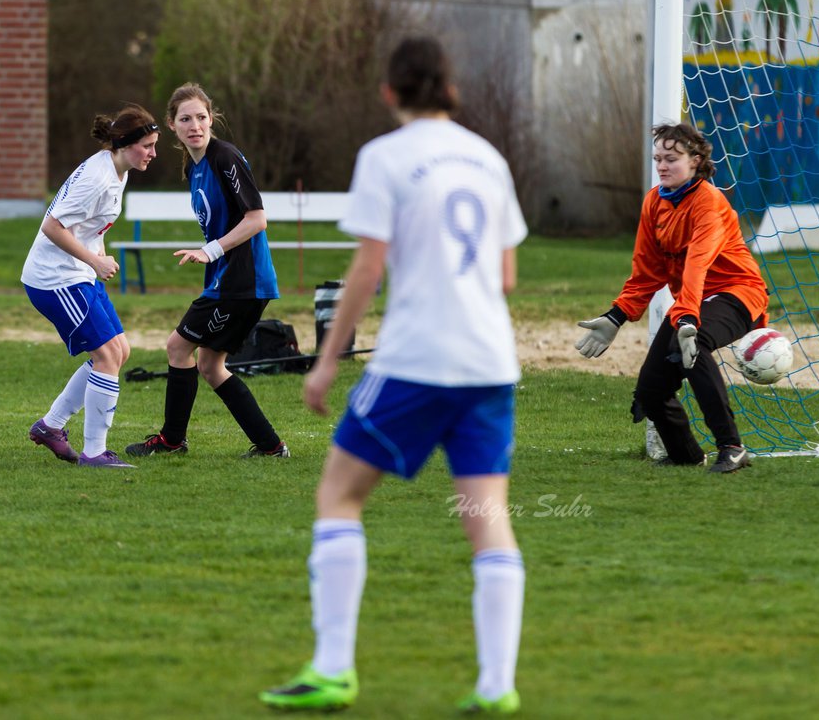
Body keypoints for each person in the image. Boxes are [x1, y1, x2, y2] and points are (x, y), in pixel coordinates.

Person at [260, 37, 527, 714]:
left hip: (416, 359)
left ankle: (332, 668)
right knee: (487, 516)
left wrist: (325, 362)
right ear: (450, 88)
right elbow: (506, 275)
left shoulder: (384, 157)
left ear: (389, 92)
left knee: (339, 496)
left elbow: (367, 267)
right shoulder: (488, 158)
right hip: (490, 361)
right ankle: (497, 686)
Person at [574, 122, 768, 473]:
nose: (662, 166)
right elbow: (646, 270)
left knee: (690, 348)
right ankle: (686, 457)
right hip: (691, 304)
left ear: (696, 161)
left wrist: (688, 319)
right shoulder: (654, 201)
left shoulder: (710, 202)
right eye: (658, 158)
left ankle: (732, 447)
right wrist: (617, 315)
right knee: (651, 390)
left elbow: (697, 264)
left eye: (672, 158)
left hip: (737, 293)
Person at [124, 83, 289, 459]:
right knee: (211, 365)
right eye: (185, 119)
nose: (194, 125)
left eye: (201, 117)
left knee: (178, 347)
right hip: (228, 279)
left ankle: (171, 440)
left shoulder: (224, 157)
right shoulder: (194, 165)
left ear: (211, 119)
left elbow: (257, 219)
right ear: (172, 125)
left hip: (242, 281)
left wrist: (209, 250)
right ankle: (270, 446)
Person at [21, 104, 159, 468]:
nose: (153, 153)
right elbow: (52, 226)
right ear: (126, 144)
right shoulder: (97, 176)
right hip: (54, 279)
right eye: (147, 145)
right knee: (107, 357)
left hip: (78, 274)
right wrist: (95, 261)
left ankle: (50, 427)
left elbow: (90, 226)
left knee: (120, 350)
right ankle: (94, 452)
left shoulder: (118, 170)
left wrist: (97, 258)